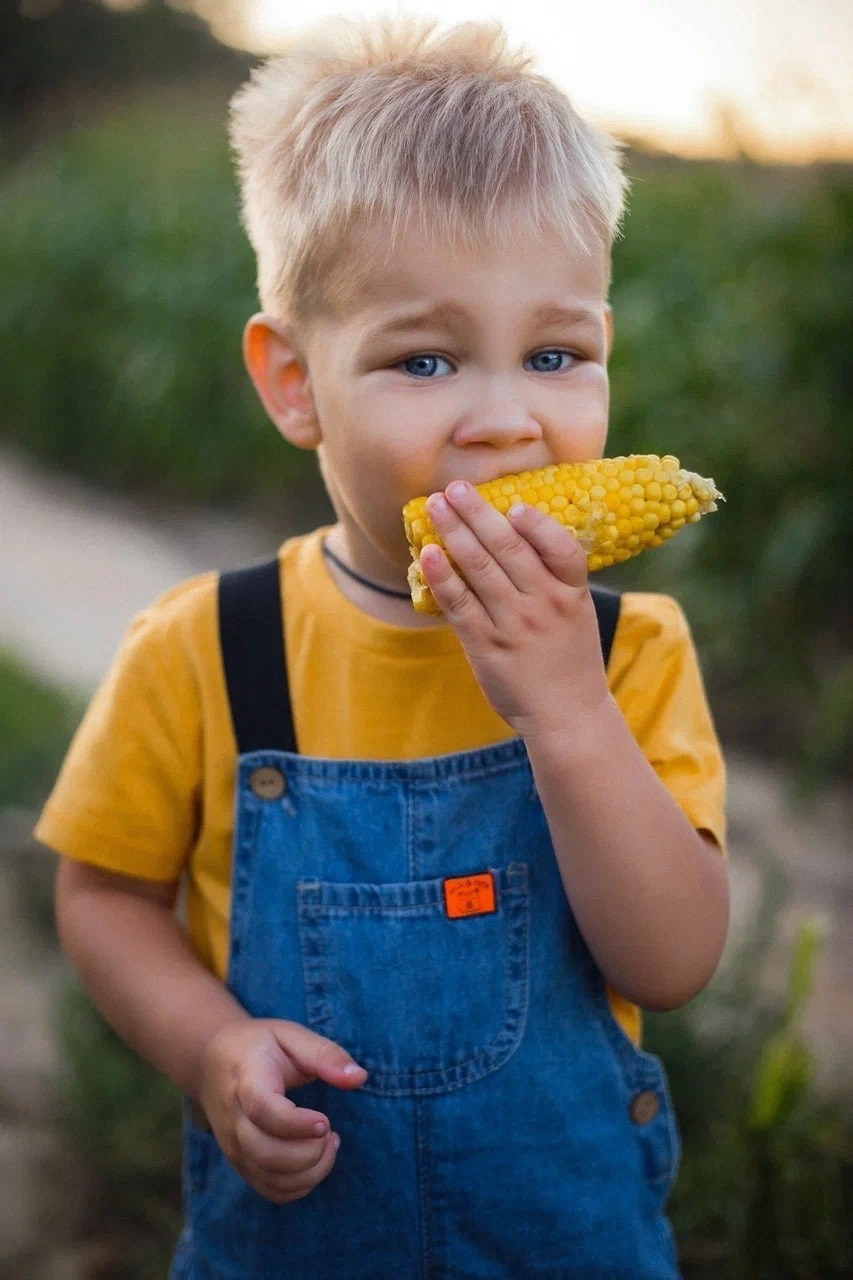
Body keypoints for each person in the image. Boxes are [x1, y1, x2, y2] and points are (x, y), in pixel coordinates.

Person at [36, 15, 729, 1279]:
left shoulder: (631, 652)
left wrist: (568, 712)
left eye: (558, 353)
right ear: (295, 382)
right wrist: (208, 1045)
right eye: (425, 358)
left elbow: (672, 961)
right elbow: (100, 894)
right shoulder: (208, 647)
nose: (509, 421)